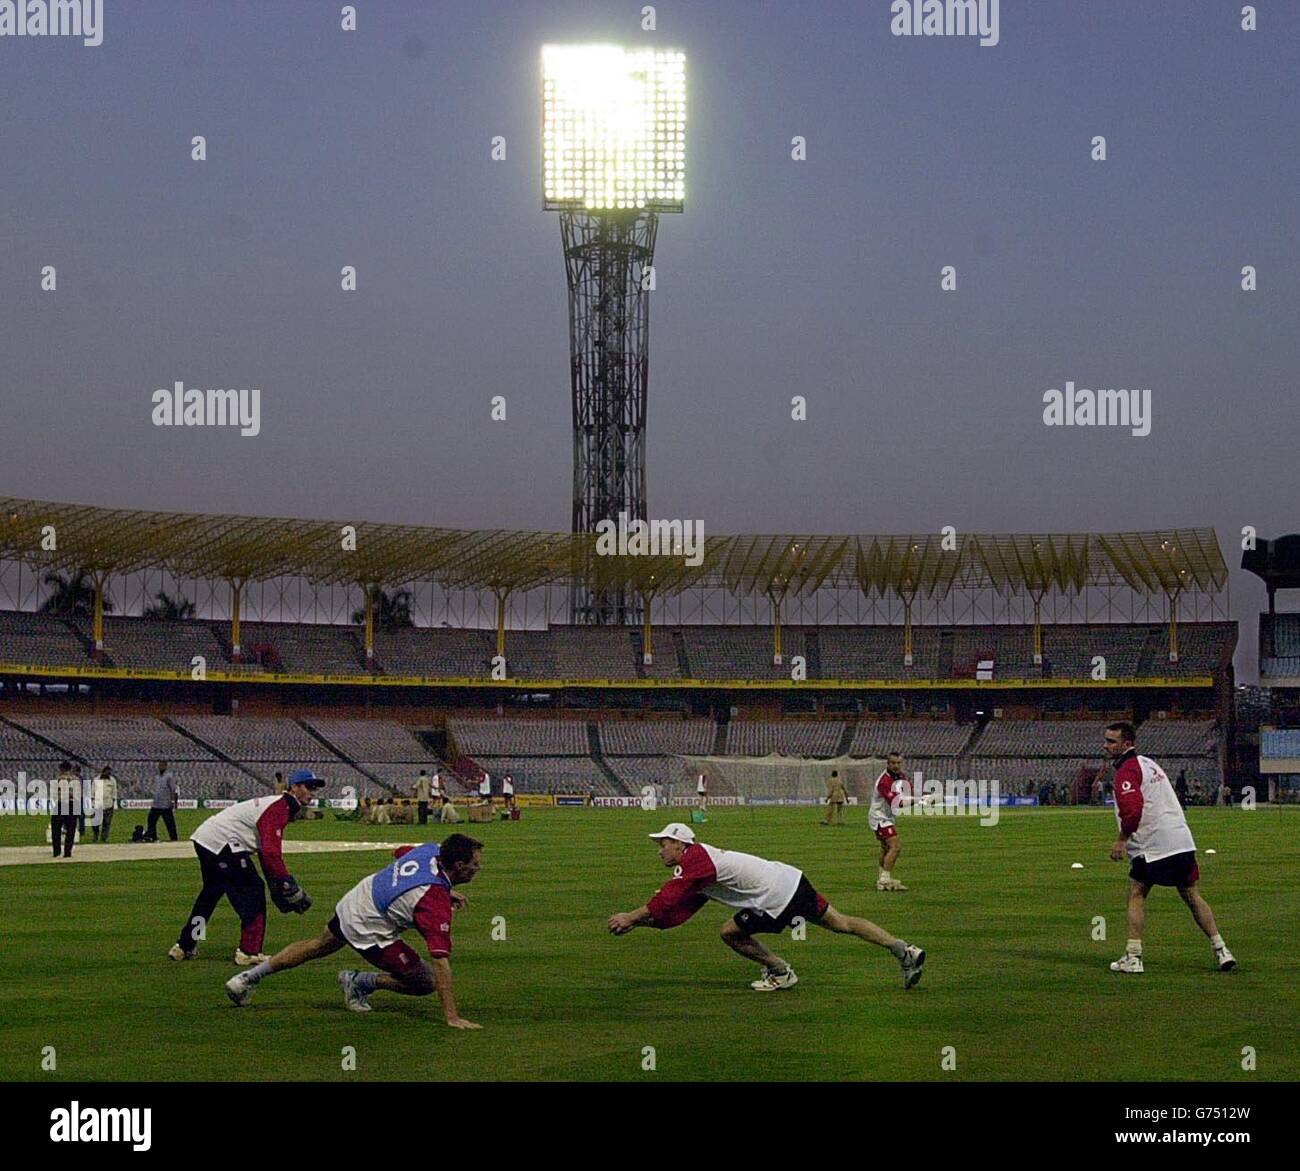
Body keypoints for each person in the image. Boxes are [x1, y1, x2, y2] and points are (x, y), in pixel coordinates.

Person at [608, 823, 925, 991]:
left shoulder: (694, 859)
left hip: (774, 897)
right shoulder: (699, 871)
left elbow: (664, 900)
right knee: (842, 923)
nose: (660, 852)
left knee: (730, 932)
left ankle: (780, 971)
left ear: (680, 844)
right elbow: (672, 914)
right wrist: (640, 922)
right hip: (792, 878)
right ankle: (903, 950)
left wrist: (629, 916)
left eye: (663, 845)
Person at [225, 834, 484, 1029]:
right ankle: (359, 982)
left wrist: (443, 887)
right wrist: (452, 1016)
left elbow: (401, 854)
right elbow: (440, 961)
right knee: (425, 981)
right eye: (475, 864)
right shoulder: (434, 902)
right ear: (459, 866)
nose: (478, 868)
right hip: (369, 925)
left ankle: (246, 979)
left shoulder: (430, 850)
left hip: (358, 898)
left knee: (317, 945)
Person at [1102, 722, 1236, 974]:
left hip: (1154, 845)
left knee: (1137, 892)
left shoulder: (1128, 770)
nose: (1106, 745)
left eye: (1111, 741)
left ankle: (1133, 956)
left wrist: (1121, 839)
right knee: (1191, 895)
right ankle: (1221, 950)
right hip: (1181, 840)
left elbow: (1132, 811)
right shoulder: (1149, 763)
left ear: (1127, 744)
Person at [168, 768, 324, 966]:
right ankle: (248, 951)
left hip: (207, 839)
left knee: (210, 895)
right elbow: (271, 853)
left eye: (315, 788)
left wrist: (277, 886)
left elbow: (263, 853)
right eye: (309, 787)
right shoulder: (279, 807)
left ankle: (185, 945)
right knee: (253, 891)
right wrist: (285, 882)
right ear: (294, 787)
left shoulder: (277, 805)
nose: (313, 792)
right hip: (222, 842)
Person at [869, 752, 913, 891]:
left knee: (886, 848)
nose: (896, 766)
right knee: (896, 846)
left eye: (898, 763)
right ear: (888, 764)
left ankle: (882, 879)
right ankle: (885, 879)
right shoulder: (884, 781)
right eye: (893, 763)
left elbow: (910, 791)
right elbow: (896, 803)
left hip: (887, 817)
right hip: (879, 817)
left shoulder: (901, 777)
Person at [50, 761, 81, 859]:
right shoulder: (76, 779)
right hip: (72, 804)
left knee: (56, 829)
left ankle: (56, 851)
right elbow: (78, 795)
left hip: (60, 804)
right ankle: (68, 852)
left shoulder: (58, 779)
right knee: (71, 829)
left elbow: (53, 794)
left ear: (62, 769)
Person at [145, 761, 179, 842]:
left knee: (170, 823)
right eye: (159, 766)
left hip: (165, 805)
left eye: (162, 766)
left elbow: (173, 790)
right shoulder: (157, 777)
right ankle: (153, 837)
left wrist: (173, 802)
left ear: (165, 766)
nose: (160, 767)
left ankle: (174, 838)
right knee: (151, 821)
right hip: (156, 804)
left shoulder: (169, 777)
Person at [92, 765, 118, 842]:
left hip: (108, 804)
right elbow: (92, 792)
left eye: (109, 773)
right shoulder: (96, 779)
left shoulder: (112, 780)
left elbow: (114, 792)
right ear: (103, 772)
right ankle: (95, 835)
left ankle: (104, 838)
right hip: (97, 804)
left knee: (107, 822)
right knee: (96, 822)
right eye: (107, 772)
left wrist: (113, 803)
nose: (108, 774)